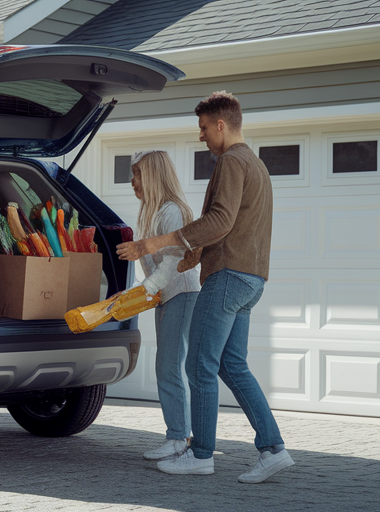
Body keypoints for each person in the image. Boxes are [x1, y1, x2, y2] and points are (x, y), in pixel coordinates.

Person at [116, 91, 294, 484]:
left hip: (228, 277)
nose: (201, 136)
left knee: (199, 365)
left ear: (221, 124)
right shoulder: (256, 164)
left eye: (203, 128)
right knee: (232, 365)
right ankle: (273, 449)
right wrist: (194, 254)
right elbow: (234, 226)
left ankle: (200, 455)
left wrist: (154, 243)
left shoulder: (231, 161)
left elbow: (219, 220)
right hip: (252, 278)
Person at [128, 150, 202, 463]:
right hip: (167, 296)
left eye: (138, 174)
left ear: (154, 176)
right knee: (168, 365)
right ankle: (180, 435)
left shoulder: (172, 212)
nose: (133, 181)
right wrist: (140, 290)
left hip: (181, 294)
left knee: (168, 366)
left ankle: (178, 439)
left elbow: (173, 260)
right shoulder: (154, 212)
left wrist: (146, 288)